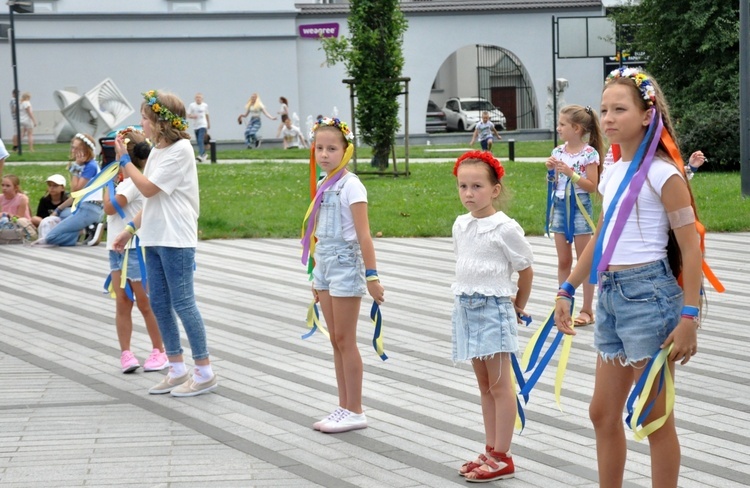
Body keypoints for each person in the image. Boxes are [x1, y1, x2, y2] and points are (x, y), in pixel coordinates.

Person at [554, 67, 703, 488]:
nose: (609, 118)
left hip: (648, 298)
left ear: (646, 115)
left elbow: (690, 249)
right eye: (604, 110)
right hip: (611, 297)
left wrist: (688, 316)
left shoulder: (664, 174)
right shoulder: (614, 170)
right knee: (602, 413)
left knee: (655, 420)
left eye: (620, 109)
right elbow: (601, 236)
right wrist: (567, 288)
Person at [112, 89, 217, 397]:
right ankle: (176, 367)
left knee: (183, 302)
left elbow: (148, 188)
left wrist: (123, 160)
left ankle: (205, 370)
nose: (141, 123)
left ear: (159, 121)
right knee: (158, 302)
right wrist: (130, 228)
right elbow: (153, 202)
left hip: (177, 237)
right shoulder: (158, 150)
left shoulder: (182, 149)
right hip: (155, 235)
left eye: (144, 118)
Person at [451, 150, 533, 482]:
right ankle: (489, 449)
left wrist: (517, 305)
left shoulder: (504, 227)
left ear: (495, 189)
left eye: (477, 186)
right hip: (466, 309)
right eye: (463, 186)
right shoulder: (461, 224)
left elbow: (525, 270)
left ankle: (503, 455)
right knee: (484, 386)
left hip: (494, 310)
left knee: (501, 386)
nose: (469, 194)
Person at [302, 117, 385, 433]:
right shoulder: (324, 183)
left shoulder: (352, 185)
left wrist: (372, 276)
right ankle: (343, 405)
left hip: (345, 267)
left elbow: (364, 235)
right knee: (335, 340)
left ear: (346, 150)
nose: (324, 154)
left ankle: (356, 409)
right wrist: (315, 275)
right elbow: (317, 234)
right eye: (319, 148)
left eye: (332, 148)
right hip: (324, 265)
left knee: (346, 340)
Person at [104, 127, 168, 374]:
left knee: (144, 302)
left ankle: (158, 350)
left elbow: (110, 208)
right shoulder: (123, 182)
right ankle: (126, 353)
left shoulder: (130, 184)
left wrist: (105, 185)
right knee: (122, 301)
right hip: (117, 249)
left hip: (134, 249)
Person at [545, 104, 604, 326]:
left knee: (584, 260)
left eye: (562, 124)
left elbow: (592, 186)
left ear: (576, 128)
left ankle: (587, 310)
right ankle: (564, 306)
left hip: (580, 208)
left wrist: (571, 174)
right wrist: (551, 171)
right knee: (563, 259)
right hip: (559, 206)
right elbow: (554, 183)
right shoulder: (558, 151)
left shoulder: (589, 154)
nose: (558, 128)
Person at [34, 133, 104, 247]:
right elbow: (75, 196)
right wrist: (58, 209)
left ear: (86, 150)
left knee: (52, 237)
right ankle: (87, 226)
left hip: (89, 209)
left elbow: (75, 191)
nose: (73, 150)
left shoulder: (90, 166)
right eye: (73, 147)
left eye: (77, 148)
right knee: (61, 214)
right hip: (82, 207)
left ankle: (84, 231)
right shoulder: (85, 165)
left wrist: (76, 167)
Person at [187, 92, 210, 162]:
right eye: (197, 97)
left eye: (199, 98)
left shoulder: (205, 105)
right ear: (195, 99)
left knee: (200, 139)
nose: (198, 99)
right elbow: (188, 114)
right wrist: (192, 116)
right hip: (195, 126)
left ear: (202, 99)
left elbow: (207, 114)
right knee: (198, 141)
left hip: (203, 125)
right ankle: (204, 154)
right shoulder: (192, 105)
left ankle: (201, 155)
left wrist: (208, 123)